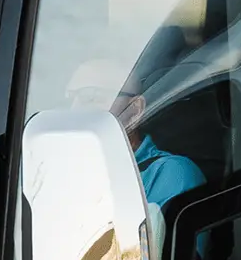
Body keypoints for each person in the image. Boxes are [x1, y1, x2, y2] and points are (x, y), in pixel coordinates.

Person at [64, 59, 205, 210]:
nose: (74, 110)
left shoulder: (170, 173)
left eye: (90, 96)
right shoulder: (62, 172)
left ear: (135, 110)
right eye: (70, 99)